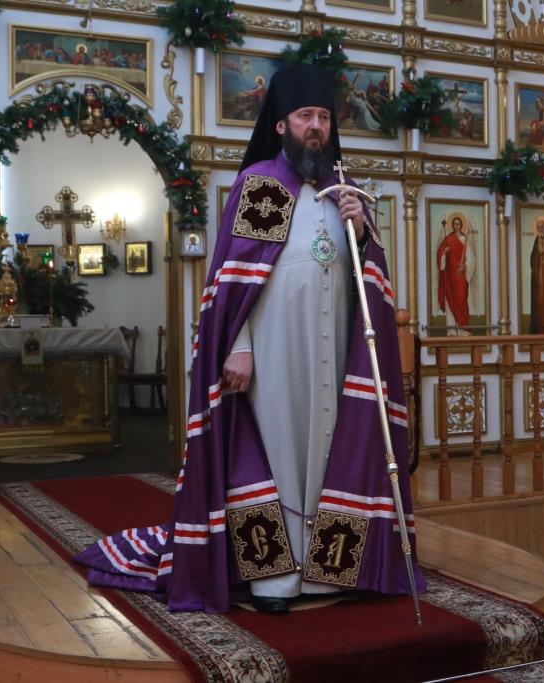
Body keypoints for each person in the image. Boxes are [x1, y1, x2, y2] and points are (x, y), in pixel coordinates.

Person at [75, 63, 424, 615]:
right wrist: (239, 347)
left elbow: (370, 286)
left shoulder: (346, 194)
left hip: (335, 355)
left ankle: (326, 573)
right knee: (275, 455)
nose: (316, 126)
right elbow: (234, 282)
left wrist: (361, 231)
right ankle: (274, 580)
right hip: (273, 351)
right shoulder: (262, 185)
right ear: (282, 125)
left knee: (332, 453)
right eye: (305, 116)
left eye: (324, 117)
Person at [437, 213, 472, 332]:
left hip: (461, 274)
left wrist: (465, 265)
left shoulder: (465, 239)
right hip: (450, 275)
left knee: (461, 298)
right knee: (450, 298)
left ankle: (463, 329)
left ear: (461, 225)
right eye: (455, 224)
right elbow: (440, 253)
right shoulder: (449, 239)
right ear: (452, 225)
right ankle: (452, 330)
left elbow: (471, 257)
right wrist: (444, 252)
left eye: (459, 224)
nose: (457, 226)